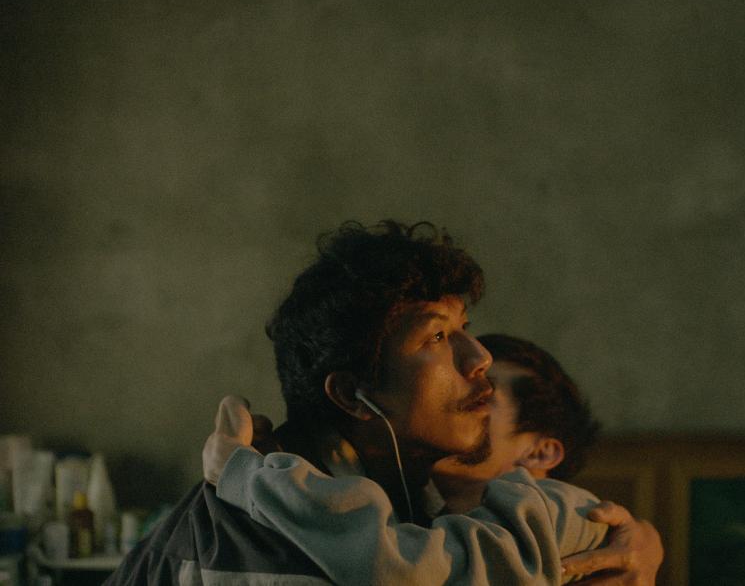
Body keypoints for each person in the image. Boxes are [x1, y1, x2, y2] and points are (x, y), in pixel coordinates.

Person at [107, 220, 661, 585]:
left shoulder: (408, 503)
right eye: (437, 336)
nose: (479, 359)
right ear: (353, 396)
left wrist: (638, 543)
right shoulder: (265, 540)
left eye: (465, 329)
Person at [431, 332, 600, 514]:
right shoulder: (417, 510)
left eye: (480, 400)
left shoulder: (571, 517)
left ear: (540, 454)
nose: (443, 403)